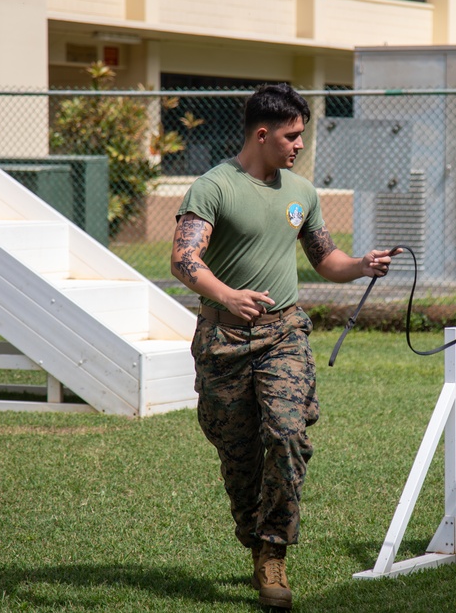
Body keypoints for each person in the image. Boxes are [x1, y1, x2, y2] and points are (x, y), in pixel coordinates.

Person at [170, 83, 398, 610]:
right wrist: (227, 294)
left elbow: (325, 260)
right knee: (239, 457)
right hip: (224, 339)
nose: (299, 145)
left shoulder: (302, 193)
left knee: (288, 433)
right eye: (293, 136)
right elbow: (184, 260)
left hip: (284, 334)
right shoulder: (213, 187)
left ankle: (274, 549)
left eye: (302, 136)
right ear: (262, 133)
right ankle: (252, 529)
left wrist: (362, 265)